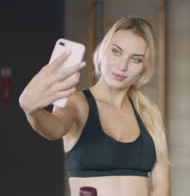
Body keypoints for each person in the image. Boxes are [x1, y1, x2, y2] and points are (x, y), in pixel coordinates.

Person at [19, 17, 170, 196]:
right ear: (103, 50)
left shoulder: (149, 114)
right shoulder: (78, 103)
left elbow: (162, 186)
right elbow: (54, 128)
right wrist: (31, 110)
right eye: (116, 52)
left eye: (135, 60)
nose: (122, 66)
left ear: (144, 67)